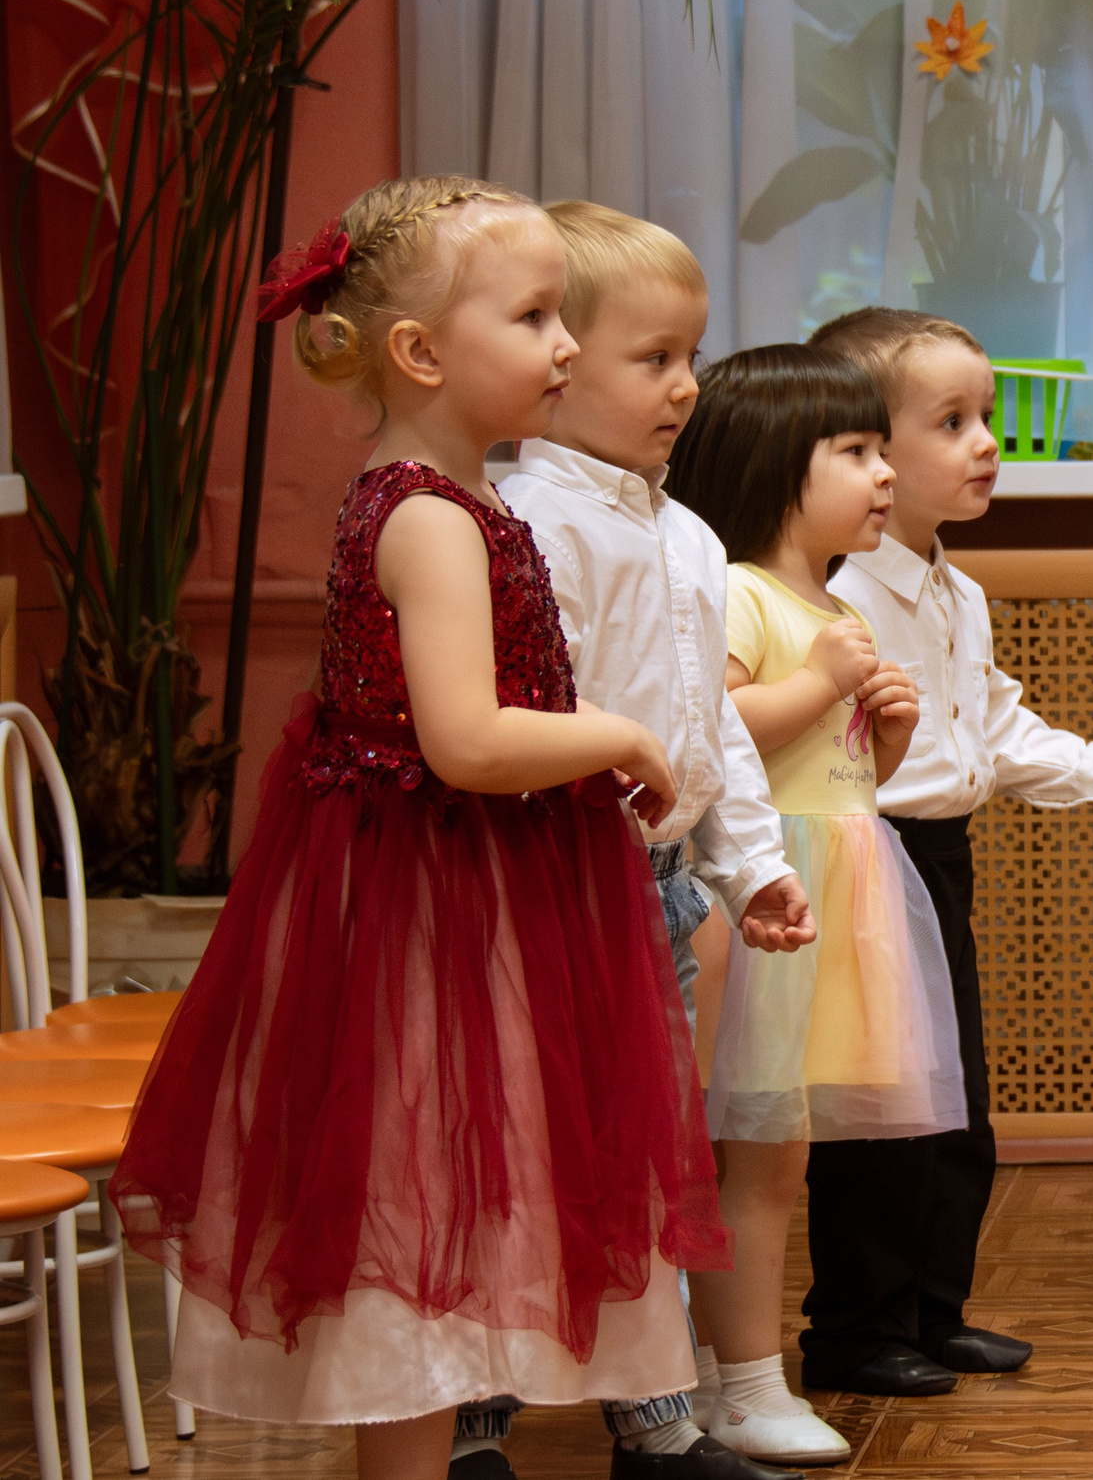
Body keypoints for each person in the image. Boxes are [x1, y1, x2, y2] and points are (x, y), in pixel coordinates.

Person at [109, 176, 727, 1480]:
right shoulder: (432, 518)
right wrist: (618, 736)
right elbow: (468, 738)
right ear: (422, 352)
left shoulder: (457, 503)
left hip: (469, 894)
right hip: (436, 912)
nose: (565, 345)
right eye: (536, 315)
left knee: (442, 1251)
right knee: (422, 1229)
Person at [800, 310, 1093, 1394]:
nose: (987, 441)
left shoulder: (954, 590)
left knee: (955, 1106)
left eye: (985, 416)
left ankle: (933, 1312)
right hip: (866, 857)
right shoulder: (836, 594)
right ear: (868, 453)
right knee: (877, 1114)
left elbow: (992, 728)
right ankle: (854, 1329)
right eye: (951, 422)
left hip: (940, 861)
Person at [465, 202, 812, 1480]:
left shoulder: (688, 533)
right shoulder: (526, 523)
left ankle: (656, 1423)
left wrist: (751, 865)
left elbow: (705, 723)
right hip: (549, 901)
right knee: (521, 1159)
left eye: (693, 357)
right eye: (651, 358)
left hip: (659, 903)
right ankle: (471, 1424)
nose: (685, 387)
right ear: (556, 368)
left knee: (642, 1162)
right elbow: (509, 719)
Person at [663, 345, 967, 1464]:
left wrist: (875, 737)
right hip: (764, 895)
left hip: (835, 886)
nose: (883, 475)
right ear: (770, 463)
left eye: (884, 452)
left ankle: (727, 1369)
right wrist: (824, 684)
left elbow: (833, 769)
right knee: (747, 1148)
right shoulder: (740, 593)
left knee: (775, 1152)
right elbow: (716, 734)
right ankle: (739, 1380)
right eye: (854, 452)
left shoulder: (830, 603)